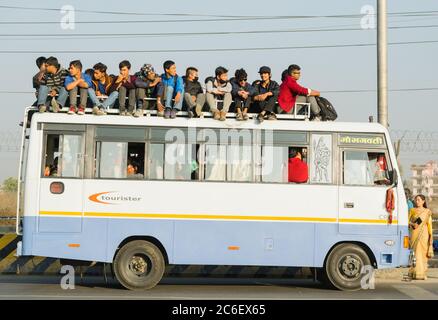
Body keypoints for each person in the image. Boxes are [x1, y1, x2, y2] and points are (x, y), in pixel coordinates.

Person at [408, 194, 434, 280]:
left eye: (419, 200)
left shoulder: (427, 212)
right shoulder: (412, 210)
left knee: (423, 254)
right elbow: (406, 221)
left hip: (424, 235)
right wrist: (412, 224)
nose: (417, 201)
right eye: (416, 200)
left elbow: (429, 225)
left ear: (423, 201)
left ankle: (422, 273)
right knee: (415, 254)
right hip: (415, 234)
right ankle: (414, 273)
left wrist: (431, 236)